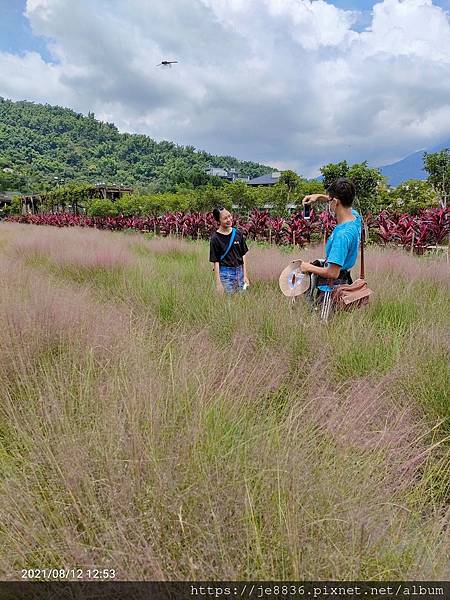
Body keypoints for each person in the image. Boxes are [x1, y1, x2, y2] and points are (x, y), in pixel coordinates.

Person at [298, 178, 362, 304]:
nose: (328, 203)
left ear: (336, 202)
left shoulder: (342, 235)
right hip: (345, 286)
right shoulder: (356, 219)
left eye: (330, 200)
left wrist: (308, 267)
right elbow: (341, 201)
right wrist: (319, 197)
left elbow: (332, 272)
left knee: (324, 323)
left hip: (331, 292)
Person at [209, 207, 250, 294]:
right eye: (225, 218)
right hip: (225, 273)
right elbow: (216, 262)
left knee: (241, 299)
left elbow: (243, 255)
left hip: (240, 272)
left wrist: (245, 275)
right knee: (229, 302)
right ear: (218, 221)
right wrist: (218, 283)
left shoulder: (238, 233)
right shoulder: (215, 238)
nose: (229, 219)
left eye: (229, 216)